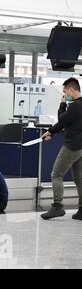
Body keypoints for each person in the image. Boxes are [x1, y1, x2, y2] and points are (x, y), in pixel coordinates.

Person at [40, 77, 82, 220]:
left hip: (72, 146)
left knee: (56, 174)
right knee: (80, 179)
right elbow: (67, 122)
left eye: (65, 92)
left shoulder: (75, 106)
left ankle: (57, 206)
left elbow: (62, 120)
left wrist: (50, 131)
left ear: (71, 89)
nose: (65, 95)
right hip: (81, 147)